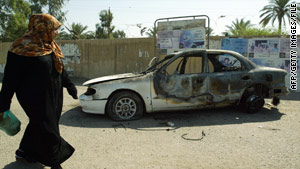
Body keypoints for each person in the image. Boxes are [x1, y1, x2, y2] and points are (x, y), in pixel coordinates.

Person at [0, 14, 77, 169]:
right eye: (54, 29)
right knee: (49, 129)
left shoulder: (50, 45)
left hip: (54, 94)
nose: (57, 32)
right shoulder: (20, 48)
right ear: (42, 28)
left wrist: (69, 85)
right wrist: (3, 104)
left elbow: (59, 68)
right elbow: (10, 79)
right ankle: (55, 161)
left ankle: (24, 152)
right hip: (33, 97)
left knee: (40, 124)